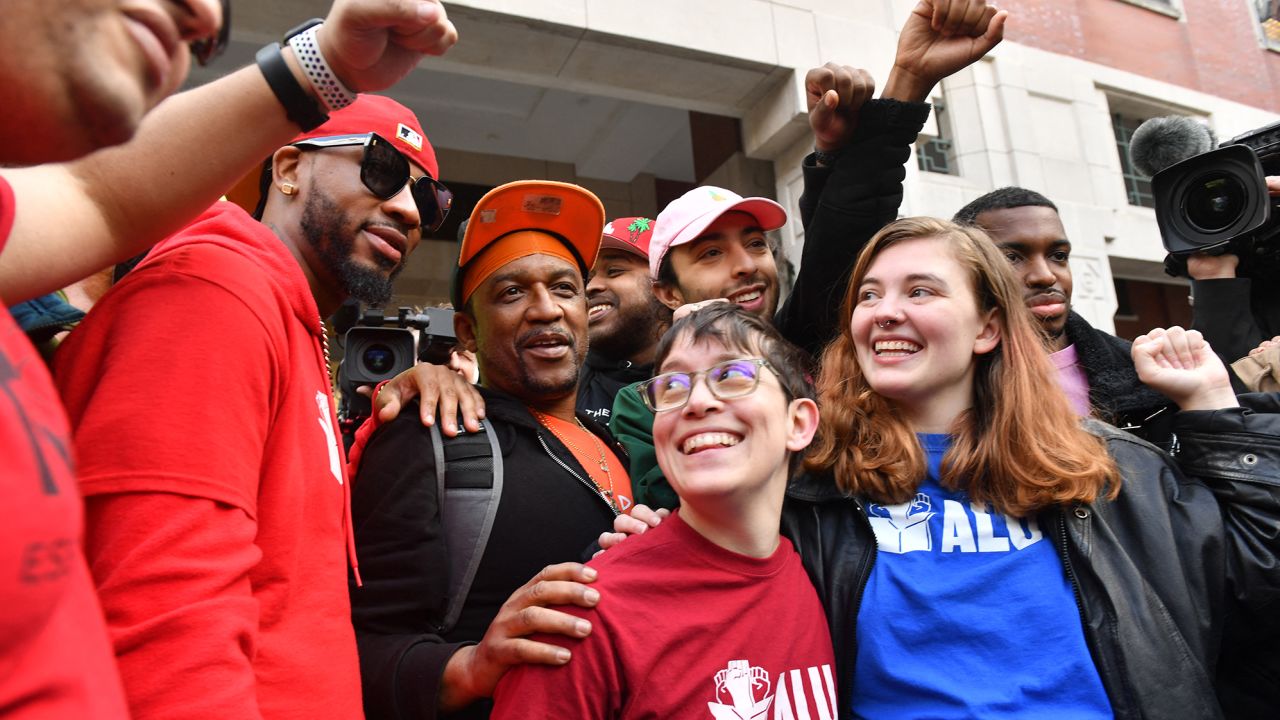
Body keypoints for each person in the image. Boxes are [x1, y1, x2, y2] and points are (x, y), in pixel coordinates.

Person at [2, 1, 451, 717]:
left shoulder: (298, 323)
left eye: (426, 198)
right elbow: (164, 614)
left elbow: (100, 198)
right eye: (379, 168)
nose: (405, 207)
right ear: (288, 169)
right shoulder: (219, 289)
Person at [786, 216, 1280, 718]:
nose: (885, 312)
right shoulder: (808, 480)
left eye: (920, 292)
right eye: (869, 296)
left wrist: (1212, 403)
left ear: (987, 328)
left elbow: (1253, 584)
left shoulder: (1106, 468)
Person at [613, 0, 1009, 508]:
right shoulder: (642, 404)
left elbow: (845, 234)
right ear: (667, 292)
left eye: (756, 244)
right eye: (711, 253)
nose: (746, 265)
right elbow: (700, 514)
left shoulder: (820, 345)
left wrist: (906, 80)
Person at [349, 180, 634, 720]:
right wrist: (468, 667)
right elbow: (361, 640)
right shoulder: (434, 433)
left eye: (565, 289)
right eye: (511, 293)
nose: (545, 310)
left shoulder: (620, 441)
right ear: (468, 332)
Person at [491, 303, 831, 718]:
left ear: (798, 424)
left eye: (732, 375)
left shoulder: (829, 580)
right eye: (672, 386)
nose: (696, 402)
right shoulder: (583, 616)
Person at [953, 186, 1177, 444]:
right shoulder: (943, 379)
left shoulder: (1142, 370)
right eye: (1012, 258)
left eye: (1058, 256)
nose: (1046, 276)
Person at [577, 216, 671, 421]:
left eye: (613, 271)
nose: (590, 287)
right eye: (589, 278)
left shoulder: (704, 371)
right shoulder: (562, 380)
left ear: (666, 289)